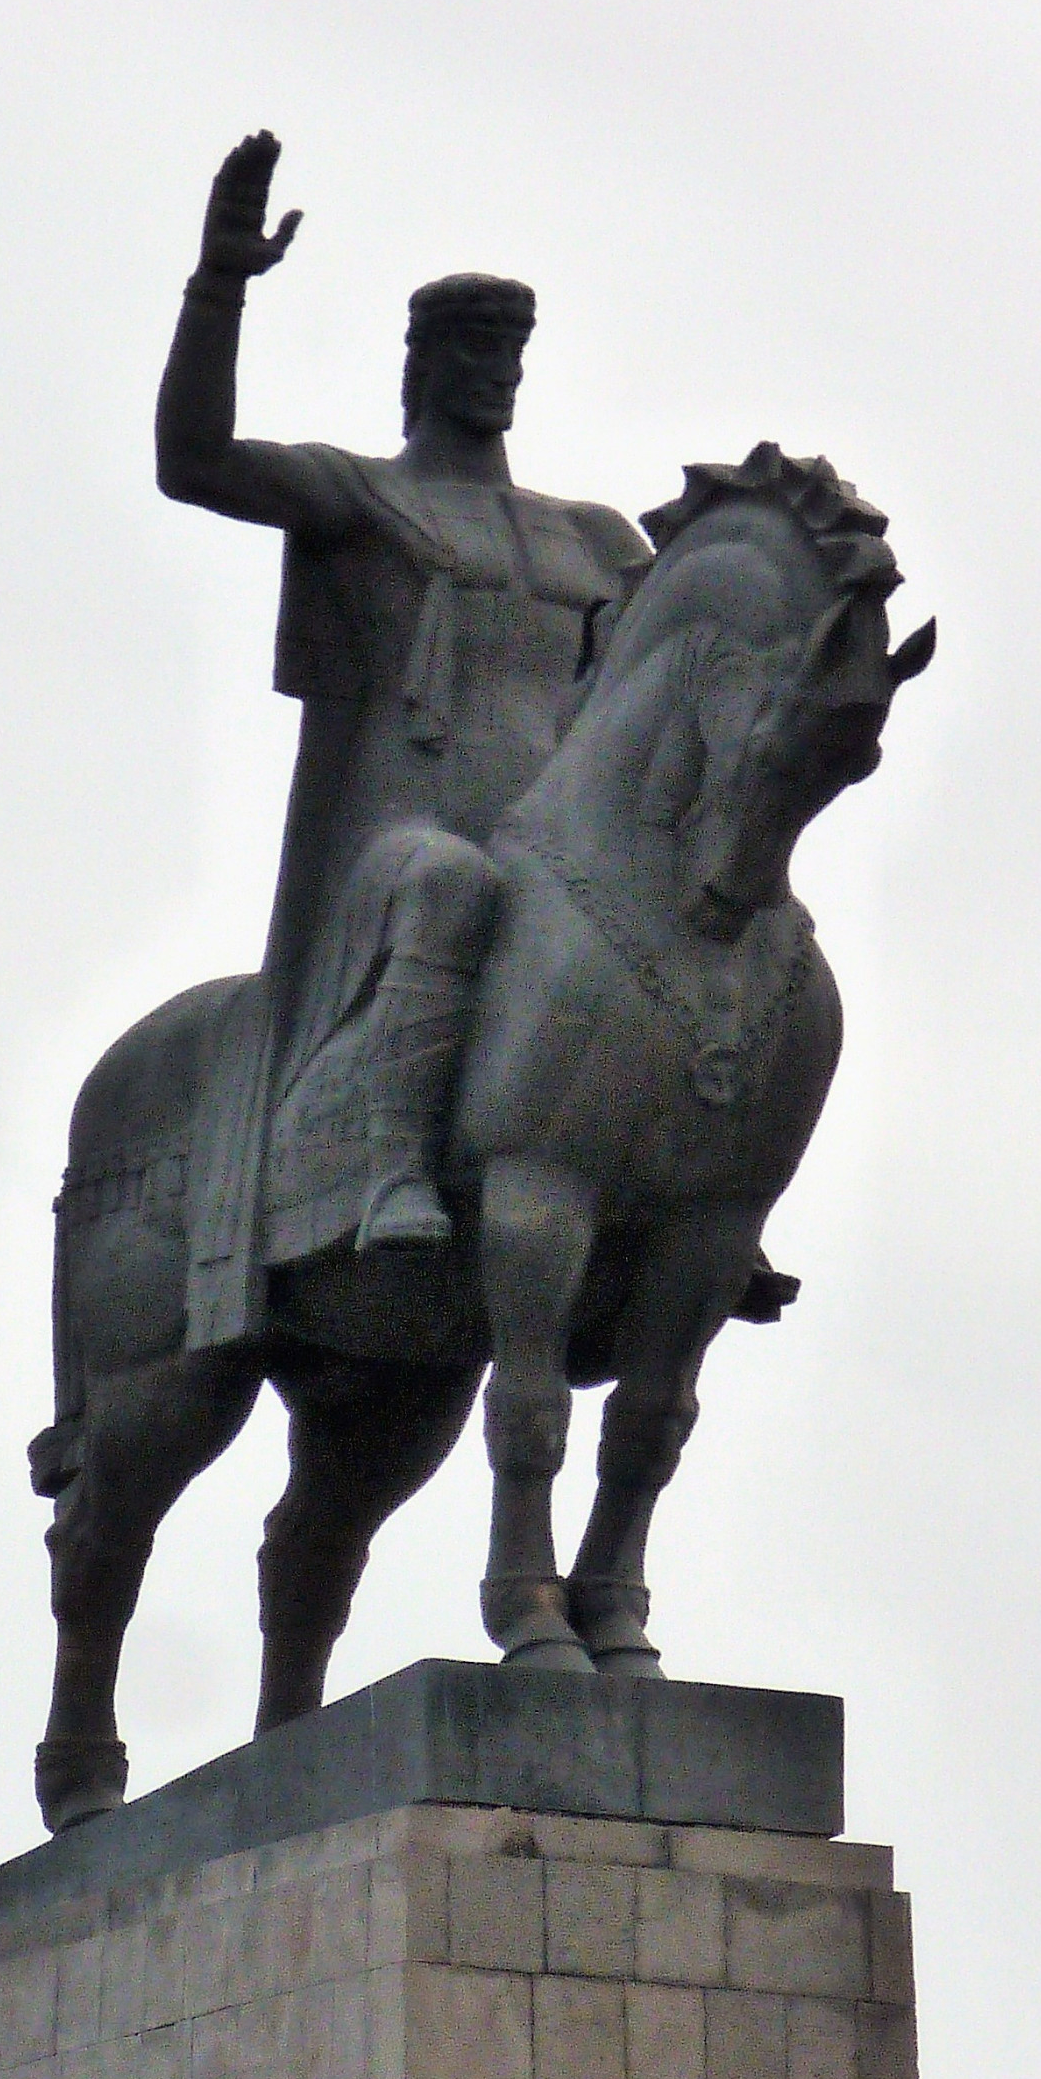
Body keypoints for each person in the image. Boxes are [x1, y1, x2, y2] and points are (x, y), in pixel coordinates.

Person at [157, 133, 651, 1339]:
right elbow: (194, 462)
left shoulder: (594, 539)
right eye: (475, 351)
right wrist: (217, 286)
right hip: (398, 837)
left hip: (551, 849)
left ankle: (686, 1213)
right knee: (447, 881)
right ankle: (381, 1171)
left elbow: (683, 664)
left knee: (680, 942)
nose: (498, 373)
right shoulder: (364, 497)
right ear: (423, 366)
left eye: (512, 353)